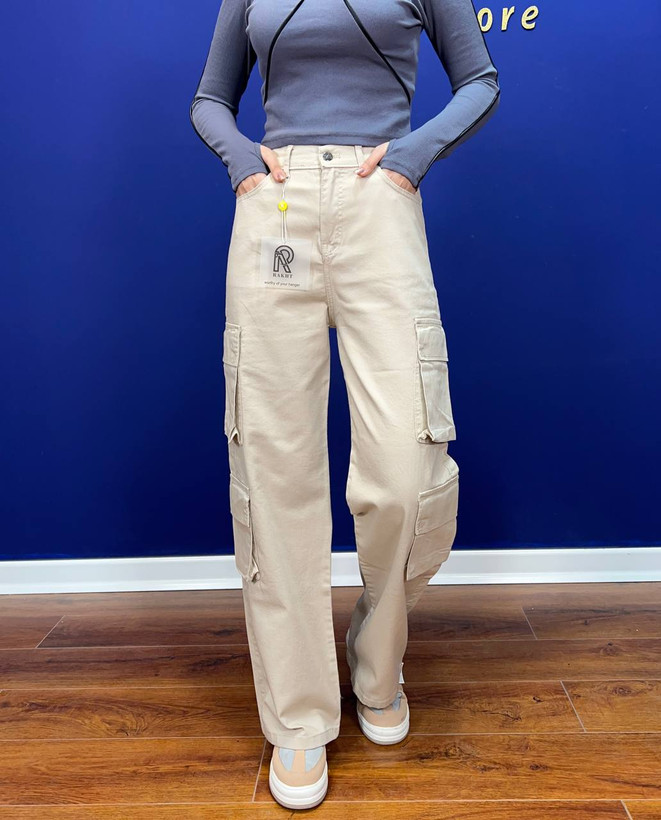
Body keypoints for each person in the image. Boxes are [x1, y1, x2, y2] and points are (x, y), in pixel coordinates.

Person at [190, 0, 500, 810]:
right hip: (276, 207)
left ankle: (376, 655)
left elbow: (479, 80)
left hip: (378, 202)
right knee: (275, 468)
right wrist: (242, 161)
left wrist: (413, 154)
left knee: (404, 469)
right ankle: (297, 713)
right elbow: (210, 98)